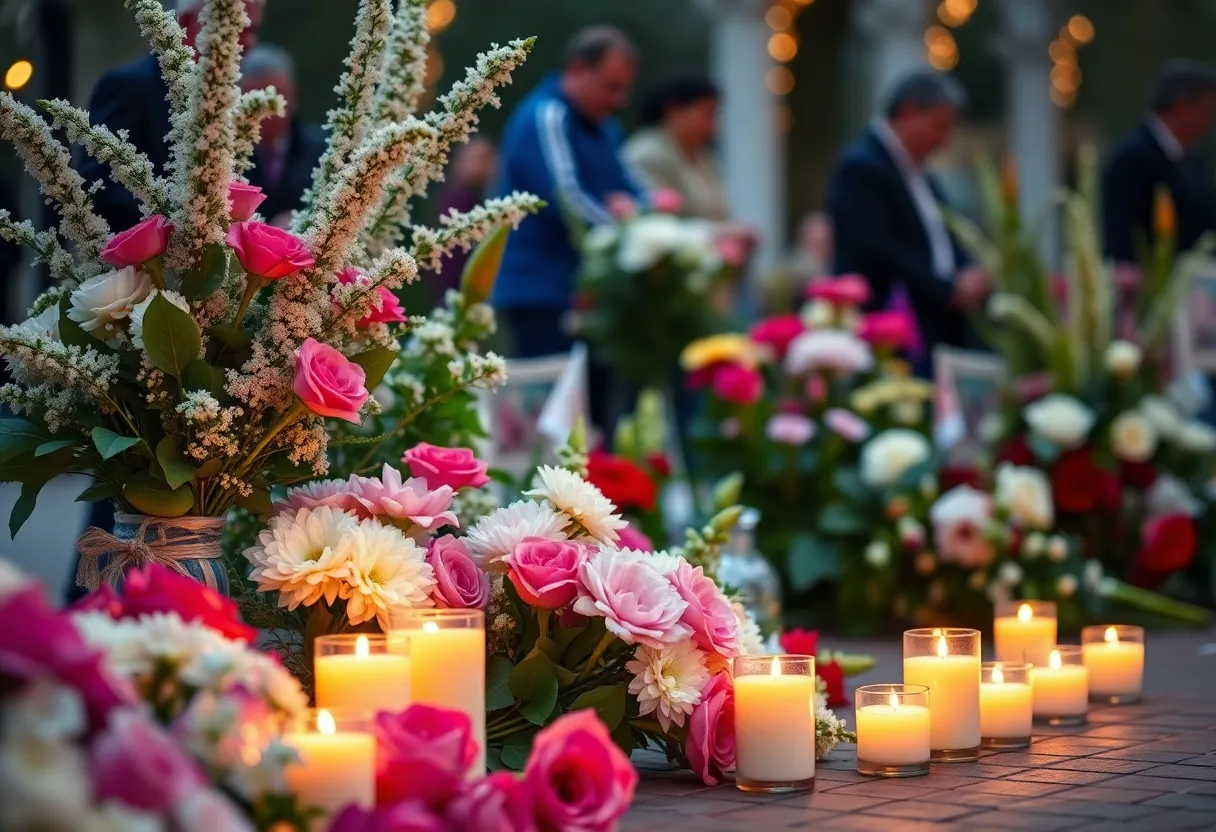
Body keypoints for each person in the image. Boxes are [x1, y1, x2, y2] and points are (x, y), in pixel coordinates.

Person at [492, 25, 647, 360]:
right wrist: (631, 227)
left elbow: (632, 188)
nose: (619, 100)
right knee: (548, 406)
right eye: (611, 87)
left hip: (588, 290)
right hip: (540, 291)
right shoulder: (548, 116)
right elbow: (565, 200)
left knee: (593, 406)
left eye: (624, 89)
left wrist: (645, 214)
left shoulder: (605, 127)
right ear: (578, 69)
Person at [827, 69, 989, 376]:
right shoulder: (861, 167)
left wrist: (968, 272)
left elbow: (944, 233)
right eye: (938, 126)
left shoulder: (920, 173)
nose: (943, 140)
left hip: (937, 326)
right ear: (909, 112)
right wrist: (946, 289)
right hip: (892, 329)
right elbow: (877, 249)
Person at [78, 0, 265, 232]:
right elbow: (97, 184)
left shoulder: (232, 98)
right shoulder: (128, 87)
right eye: (234, 27)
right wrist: (177, 224)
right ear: (187, 24)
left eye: (253, 30)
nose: (249, 42)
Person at [1102, 59, 1216, 263]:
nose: (1210, 122)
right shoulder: (1132, 159)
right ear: (1181, 107)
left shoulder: (1192, 161)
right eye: (1206, 111)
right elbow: (1121, 238)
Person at [240, 44, 326, 228]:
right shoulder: (225, 159)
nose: (266, 112)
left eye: (275, 99)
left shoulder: (324, 151)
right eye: (255, 101)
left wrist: (304, 219)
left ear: (293, 93)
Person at [625, 73, 728, 221]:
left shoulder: (702, 156)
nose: (714, 126)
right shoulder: (649, 155)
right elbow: (657, 223)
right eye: (707, 115)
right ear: (673, 110)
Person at [432, 137, 498, 303]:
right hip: (455, 290)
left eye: (487, 158)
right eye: (478, 159)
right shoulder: (455, 201)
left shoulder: (488, 194)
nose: (486, 165)